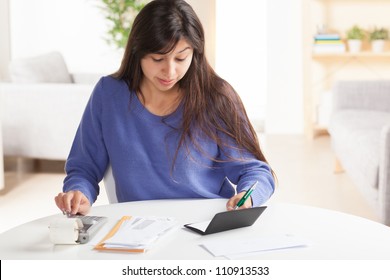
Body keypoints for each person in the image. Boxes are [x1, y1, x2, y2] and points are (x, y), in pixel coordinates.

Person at [55, 0, 275, 216]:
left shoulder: (217, 97)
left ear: (195, 53)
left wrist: (248, 196)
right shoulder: (109, 94)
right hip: (139, 231)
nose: (169, 71)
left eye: (181, 58)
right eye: (158, 58)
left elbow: (254, 170)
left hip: (206, 225)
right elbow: (84, 167)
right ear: (137, 52)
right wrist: (78, 193)